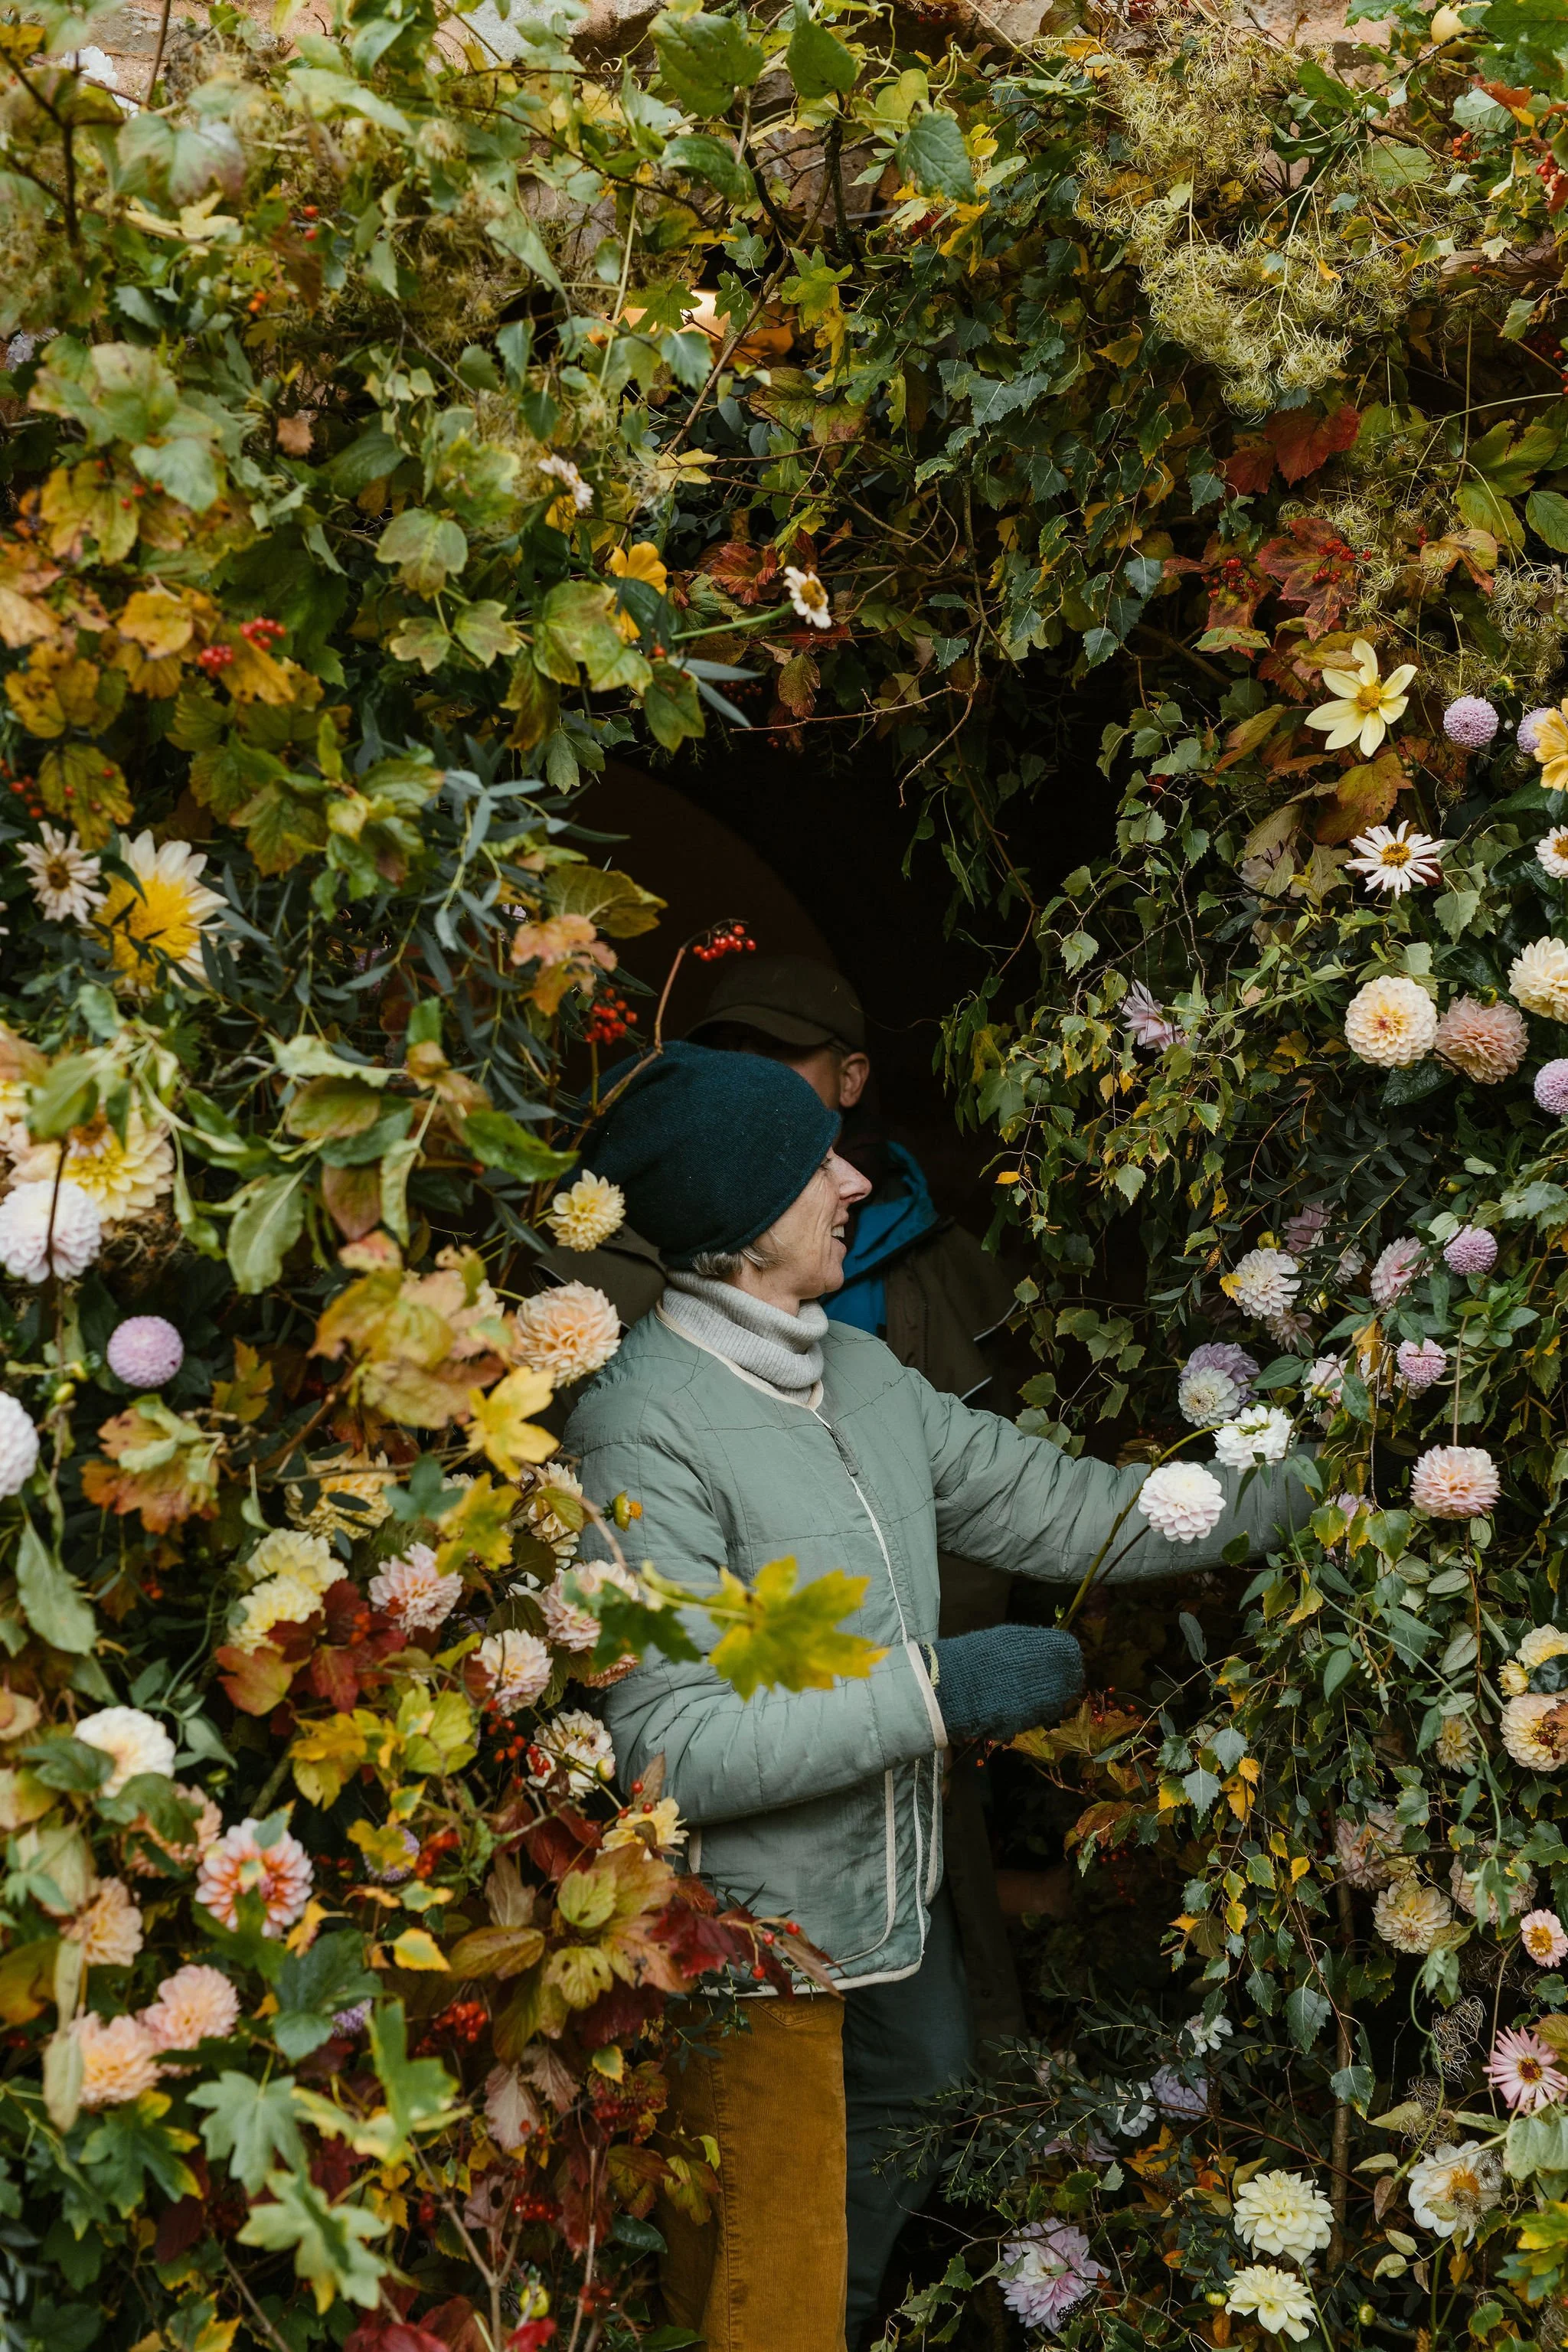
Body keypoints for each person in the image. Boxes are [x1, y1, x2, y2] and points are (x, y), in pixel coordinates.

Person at [563, 1043, 1306, 2352]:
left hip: (891, 1913)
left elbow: (1081, 1510)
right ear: (739, 1227)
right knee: (760, 2269)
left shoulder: (857, 1376)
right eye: (814, 1166)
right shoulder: (641, 1424)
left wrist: (1344, 1492)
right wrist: (936, 1689)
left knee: (913, 2133)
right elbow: (665, 1748)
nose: (854, 1176)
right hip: (752, 1954)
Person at [691, 953, 1029, 2043]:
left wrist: (946, 1682)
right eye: (726, 1058)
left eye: (776, 1059)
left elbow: (998, 1492)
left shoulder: (949, 1269)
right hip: (752, 1717)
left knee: (927, 2045)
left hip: (920, 1702)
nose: (745, 1079)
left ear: (848, 1079)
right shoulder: (669, 1257)